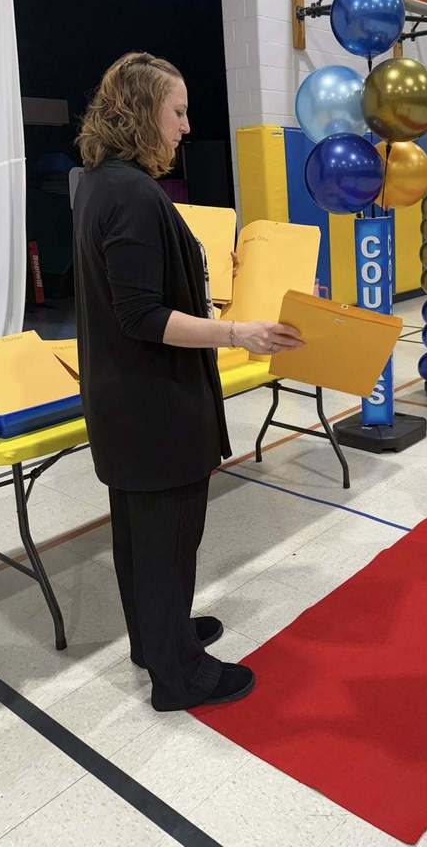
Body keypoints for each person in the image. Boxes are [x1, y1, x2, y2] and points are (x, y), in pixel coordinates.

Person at [73, 51, 303, 711]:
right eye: (176, 112)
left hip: (125, 400)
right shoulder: (133, 194)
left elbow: (142, 288)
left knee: (140, 537)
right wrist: (238, 333)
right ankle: (179, 676)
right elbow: (143, 315)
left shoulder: (99, 185)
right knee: (168, 540)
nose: (185, 126)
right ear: (143, 112)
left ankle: (157, 637)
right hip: (155, 405)